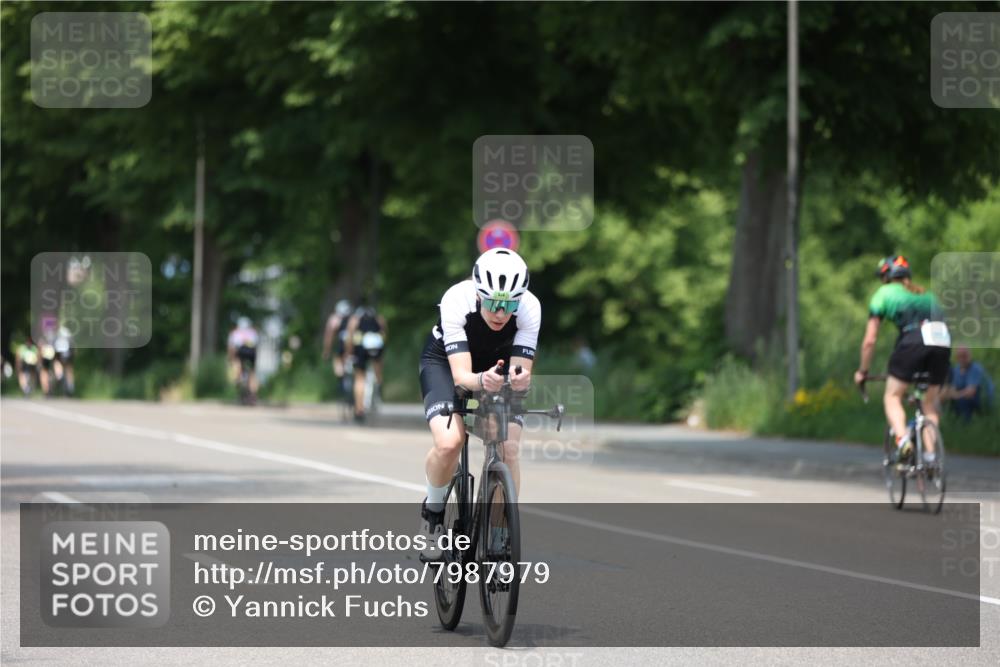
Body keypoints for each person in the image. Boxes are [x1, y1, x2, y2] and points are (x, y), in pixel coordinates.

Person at [417, 248, 540, 557]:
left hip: (495, 366)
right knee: (450, 442)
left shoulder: (530, 308)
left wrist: (521, 379)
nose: (501, 313)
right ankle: (432, 517)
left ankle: (499, 540)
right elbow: (462, 377)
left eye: (509, 304)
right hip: (446, 364)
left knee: (508, 445)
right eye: (494, 303)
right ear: (478, 294)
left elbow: (522, 370)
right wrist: (482, 381)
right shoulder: (456, 299)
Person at [854, 255, 951, 463]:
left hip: (913, 341)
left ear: (886, 276)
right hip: (942, 341)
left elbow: (870, 340)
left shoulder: (884, 293)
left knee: (892, 396)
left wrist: (863, 371)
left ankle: (903, 439)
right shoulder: (927, 294)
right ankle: (931, 457)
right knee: (929, 403)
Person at [344, 303, 387, 422]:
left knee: (359, 378)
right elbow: (384, 333)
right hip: (377, 347)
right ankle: (378, 388)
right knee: (378, 370)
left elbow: (349, 337)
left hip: (361, 348)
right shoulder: (378, 318)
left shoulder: (355, 319)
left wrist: (349, 352)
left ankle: (359, 409)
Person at [943, 347, 995, 420]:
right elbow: (953, 388)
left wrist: (954, 395)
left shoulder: (975, 368)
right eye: (959, 356)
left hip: (982, 399)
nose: (962, 359)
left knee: (963, 399)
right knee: (949, 400)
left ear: (969, 356)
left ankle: (966, 423)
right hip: (965, 395)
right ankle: (955, 420)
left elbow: (970, 392)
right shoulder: (957, 369)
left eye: (964, 356)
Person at [322, 299, 353, 395]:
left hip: (342, 344)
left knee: (338, 359)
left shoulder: (334, 319)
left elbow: (329, 336)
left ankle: (341, 381)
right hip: (354, 344)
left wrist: (327, 351)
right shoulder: (353, 318)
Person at [227, 316, 259, 403]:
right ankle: (253, 395)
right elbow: (256, 346)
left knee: (237, 364)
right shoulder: (253, 332)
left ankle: (238, 378)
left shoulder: (235, 333)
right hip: (252, 353)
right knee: (252, 373)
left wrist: (231, 359)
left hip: (241, 351)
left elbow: (231, 348)